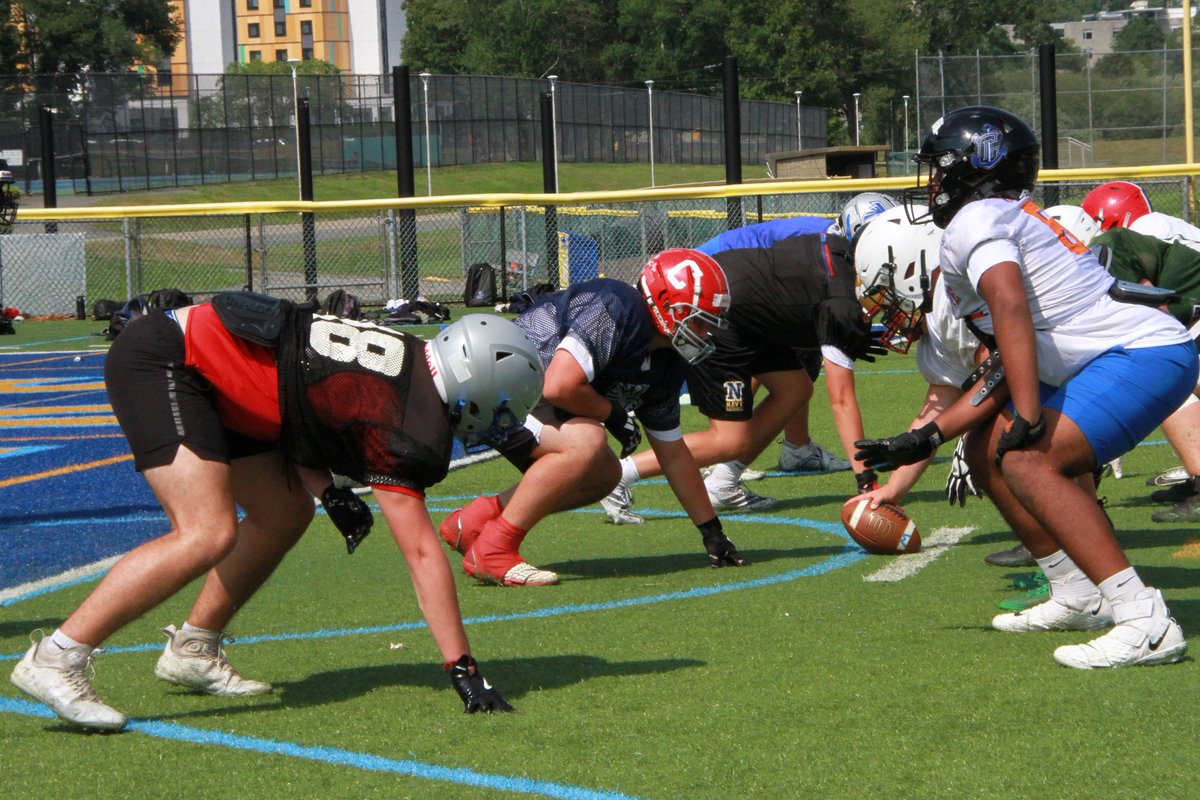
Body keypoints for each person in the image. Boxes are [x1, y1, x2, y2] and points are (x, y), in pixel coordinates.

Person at [10, 296, 544, 730]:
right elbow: (423, 553)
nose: (495, 424)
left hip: (219, 376)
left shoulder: (408, 359)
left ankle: (194, 648)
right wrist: (463, 667)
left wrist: (326, 492)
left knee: (284, 511)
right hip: (170, 361)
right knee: (205, 532)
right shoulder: (407, 418)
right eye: (500, 409)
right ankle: (58, 657)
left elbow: (301, 406)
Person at [856, 105, 1196, 669]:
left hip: (1142, 352)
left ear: (975, 164)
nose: (933, 181)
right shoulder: (1000, 215)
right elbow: (1002, 367)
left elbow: (1010, 306)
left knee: (1028, 459)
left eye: (941, 166)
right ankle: (1076, 593)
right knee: (986, 446)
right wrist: (928, 437)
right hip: (1127, 353)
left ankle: (1145, 620)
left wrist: (1031, 412)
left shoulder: (976, 221)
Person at [438, 249, 746, 587]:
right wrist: (613, 415)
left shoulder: (667, 362)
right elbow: (559, 385)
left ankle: (474, 522)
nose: (705, 332)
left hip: (528, 398)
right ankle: (495, 549)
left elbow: (673, 455)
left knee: (605, 475)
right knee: (587, 442)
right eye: (700, 320)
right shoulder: (620, 306)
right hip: (496, 386)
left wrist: (711, 531)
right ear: (665, 305)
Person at [603, 222, 887, 524]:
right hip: (718, 316)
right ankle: (619, 474)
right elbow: (841, 400)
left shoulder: (838, 251)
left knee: (795, 389)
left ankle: (723, 483)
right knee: (729, 439)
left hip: (750, 313)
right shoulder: (839, 299)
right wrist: (866, 480)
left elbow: (791, 299)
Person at [684, 193, 900, 514]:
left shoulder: (835, 245)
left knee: (797, 373)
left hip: (743, 281)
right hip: (720, 275)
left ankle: (795, 449)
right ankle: (720, 456)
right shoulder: (826, 252)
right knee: (735, 426)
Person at [1089, 222, 1200, 521]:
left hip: (1181, 324)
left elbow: (1156, 315)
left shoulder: (1107, 251)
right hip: (1187, 321)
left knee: (1167, 376)